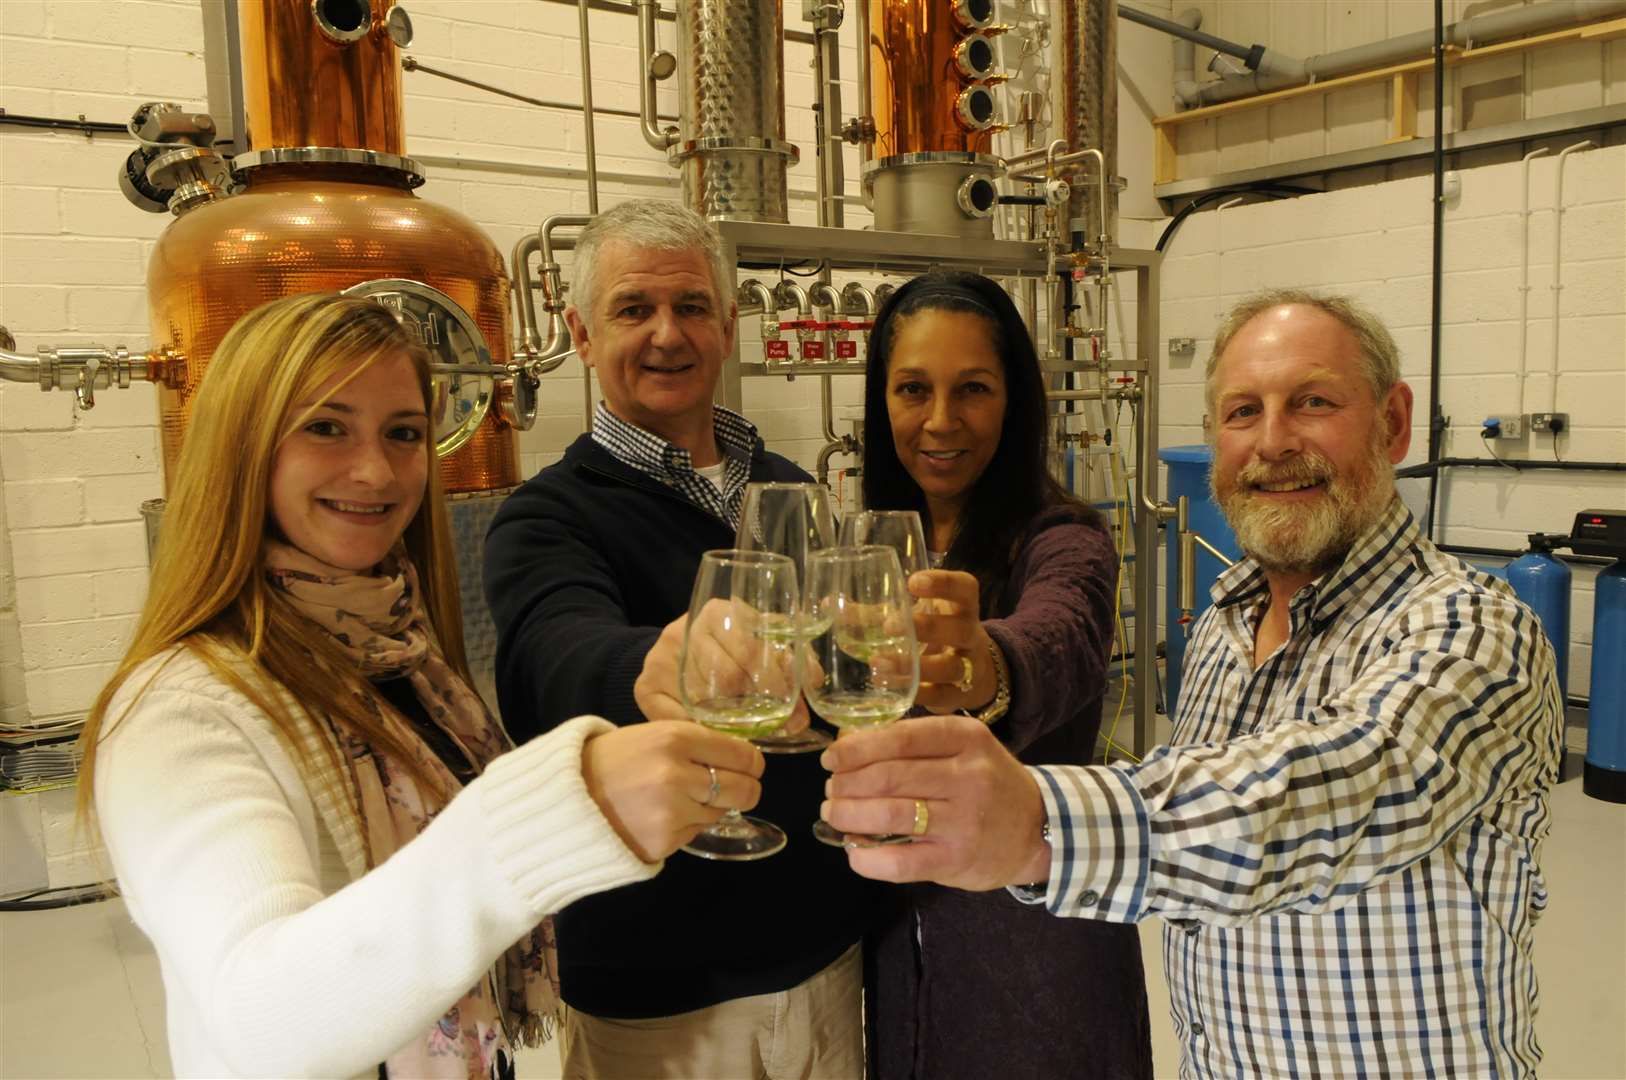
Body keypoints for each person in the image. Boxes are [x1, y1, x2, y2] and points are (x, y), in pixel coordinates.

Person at [822, 288, 1565, 1078]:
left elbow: (1319, 797)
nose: (1273, 442)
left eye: (1312, 402)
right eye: (1242, 412)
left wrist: (1038, 818)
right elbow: (1206, 868)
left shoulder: (1475, 631)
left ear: (1392, 422)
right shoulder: (1221, 627)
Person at [81, 292, 766, 1079]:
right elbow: (256, 1019)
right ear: (243, 446)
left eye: (403, 433)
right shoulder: (181, 710)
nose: (375, 471)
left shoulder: (399, 649)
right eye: (326, 426)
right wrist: (558, 811)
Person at [483, 200, 872, 1079]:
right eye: (633, 310)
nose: (667, 333)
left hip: (827, 953)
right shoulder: (545, 516)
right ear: (582, 335)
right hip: (658, 988)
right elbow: (554, 660)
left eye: (692, 307)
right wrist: (653, 666)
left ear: (728, 327)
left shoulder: (788, 489)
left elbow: (836, 672)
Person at [854, 270, 1152, 1078]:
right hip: (895, 958)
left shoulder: (1065, 539)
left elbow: (1061, 637)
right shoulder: (868, 548)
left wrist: (983, 666)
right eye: (913, 389)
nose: (941, 422)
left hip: (1037, 964)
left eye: (974, 390)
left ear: (1015, 400)